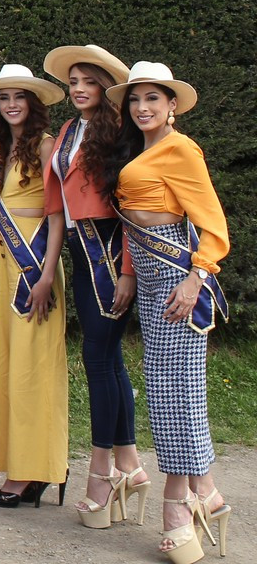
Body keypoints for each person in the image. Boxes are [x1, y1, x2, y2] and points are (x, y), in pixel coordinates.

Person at [106, 62, 231, 563]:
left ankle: (178, 504)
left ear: (172, 105)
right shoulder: (143, 149)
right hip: (153, 276)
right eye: (136, 100)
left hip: (178, 279)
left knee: (174, 390)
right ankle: (207, 493)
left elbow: (214, 223)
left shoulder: (181, 149)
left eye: (153, 99)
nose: (143, 108)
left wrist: (197, 274)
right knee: (169, 390)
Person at [42, 45, 150, 528]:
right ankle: (130, 466)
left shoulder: (122, 133)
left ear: (107, 87)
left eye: (88, 81)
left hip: (110, 252)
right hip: (78, 256)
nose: (79, 89)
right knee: (107, 361)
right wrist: (47, 271)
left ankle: (104, 471)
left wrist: (127, 270)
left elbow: (130, 205)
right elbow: (54, 208)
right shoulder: (67, 132)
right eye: (74, 83)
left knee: (97, 359)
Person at [0, 64, 68, 508]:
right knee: (6, 371)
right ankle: (22, 466)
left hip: (34, 267)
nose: (11, 105)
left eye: (19, 97)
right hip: (8, 266)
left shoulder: (46, 147)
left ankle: (33, 471)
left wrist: (47, 274)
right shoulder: (0, 150)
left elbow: (56, 214)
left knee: (33, 372)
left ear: (33, 103)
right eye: (4, 98)